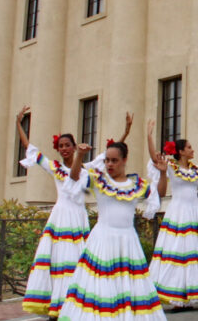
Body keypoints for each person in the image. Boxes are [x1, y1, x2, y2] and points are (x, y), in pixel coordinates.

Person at [18, 107, 132, 318]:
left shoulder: (87, 167)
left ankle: (76, 305)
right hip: (61, 217)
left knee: (78, 261)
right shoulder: (54, 167)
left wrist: (125, 132)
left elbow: (110, 152)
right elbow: (29, 148)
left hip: (78, 218)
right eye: (61, 146)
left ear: (74, 146)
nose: (64, 149)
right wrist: (19, 124)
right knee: (60, 261)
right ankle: (58, 306)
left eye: (67, 145)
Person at [58, 141, 166, 320]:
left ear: (125, 160)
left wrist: (163, 173)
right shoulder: (98, 180)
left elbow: (159, 194)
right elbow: (75, 176)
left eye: (114, 160)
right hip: (102, 241)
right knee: (101, 287)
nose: (109, 164)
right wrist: (79, 156)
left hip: (127, 242)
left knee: (128, 288)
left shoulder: (136, 184)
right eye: (107, 160)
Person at [145, 120, 198, 309]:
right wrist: (149, 135)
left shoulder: (196, 169)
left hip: (194, 213)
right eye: (189, 147)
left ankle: (190, 294)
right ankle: (176, 296)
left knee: (194, 254)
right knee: (177, 253)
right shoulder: (171, 167)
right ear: (180, 151)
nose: (192, 150)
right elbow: (154, 158)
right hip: (178, 212)